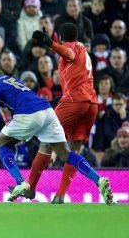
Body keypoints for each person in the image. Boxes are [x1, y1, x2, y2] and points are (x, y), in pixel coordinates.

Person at [0, 63, 114, 205]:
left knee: (1, 144)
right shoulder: (8, 79)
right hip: (47, 111)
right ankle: (99, 180)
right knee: (65, 154)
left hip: (27, 114)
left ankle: (21, 182)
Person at [28, 23, 99, 204]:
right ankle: (60, 195)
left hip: (75, 100)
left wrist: (49, 43)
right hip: (91, 104)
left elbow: (68, 53)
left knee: (46, 140)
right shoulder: (84, 49)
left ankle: (29, 188)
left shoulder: (71, 47)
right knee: (74, 148)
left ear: (60, 37)